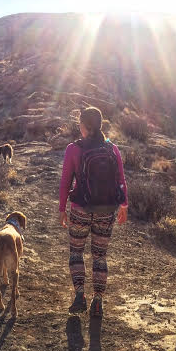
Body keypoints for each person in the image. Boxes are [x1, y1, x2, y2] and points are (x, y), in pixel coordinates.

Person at [59, 107, 128, 318]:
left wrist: (62, 208)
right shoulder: (112, 148)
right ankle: (98, 301)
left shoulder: (73, 149)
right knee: (100, 255)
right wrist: (124, 205)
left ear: (84, 126)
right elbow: (121, 180)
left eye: (80, 123)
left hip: (80, 208)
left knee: (76, 252)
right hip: (107, 211)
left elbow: (65, 182)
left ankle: (80, 294)